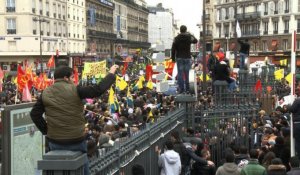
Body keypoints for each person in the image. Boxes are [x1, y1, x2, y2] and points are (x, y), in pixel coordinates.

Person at [30, 64, 119, 175]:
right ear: (66, 78)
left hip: (55, 141)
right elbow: (98, 90)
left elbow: (34, 114)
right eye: (72, 77)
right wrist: (110, 74)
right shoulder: (76, 90)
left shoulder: (45, 93)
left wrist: (47, 131)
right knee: (82, 167)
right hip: (76, 139)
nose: (74, 80)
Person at [171, 25, 198, 94]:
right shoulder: (188, 37)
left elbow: (173, 49)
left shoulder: (176, 38)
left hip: (179, 57)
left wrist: (173, 58)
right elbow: (195, 41)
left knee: (180, 74)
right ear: (185, 30)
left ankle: (181, 89)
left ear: (180, 30)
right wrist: (191, 34)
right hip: (187, 57)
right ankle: (188, 89)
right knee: (187, 74)